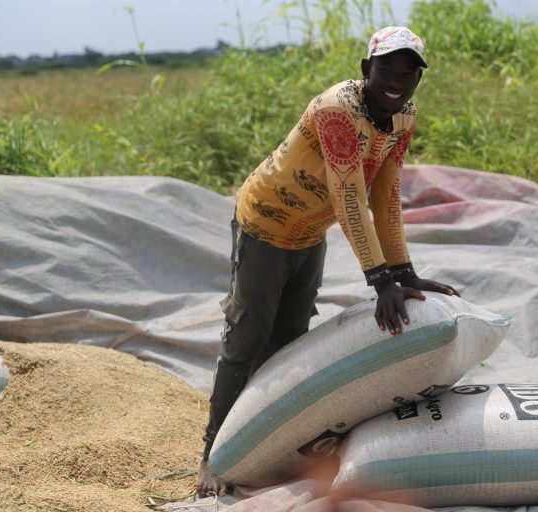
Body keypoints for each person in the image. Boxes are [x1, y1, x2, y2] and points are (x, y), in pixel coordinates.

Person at [197, 26, 460, 497]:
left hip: (308, 234)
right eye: (386, 70)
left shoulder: (404, 115)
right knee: (247, 336)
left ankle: (267, 446)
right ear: (366, 70)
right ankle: (213, 453)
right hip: (265, 224)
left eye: (408, 73)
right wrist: (381, 282)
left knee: (292, 341)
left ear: (418, 80)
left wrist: (405, 272)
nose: (396, 81)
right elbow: (350, 198)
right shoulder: (340, 109)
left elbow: (387, 194)